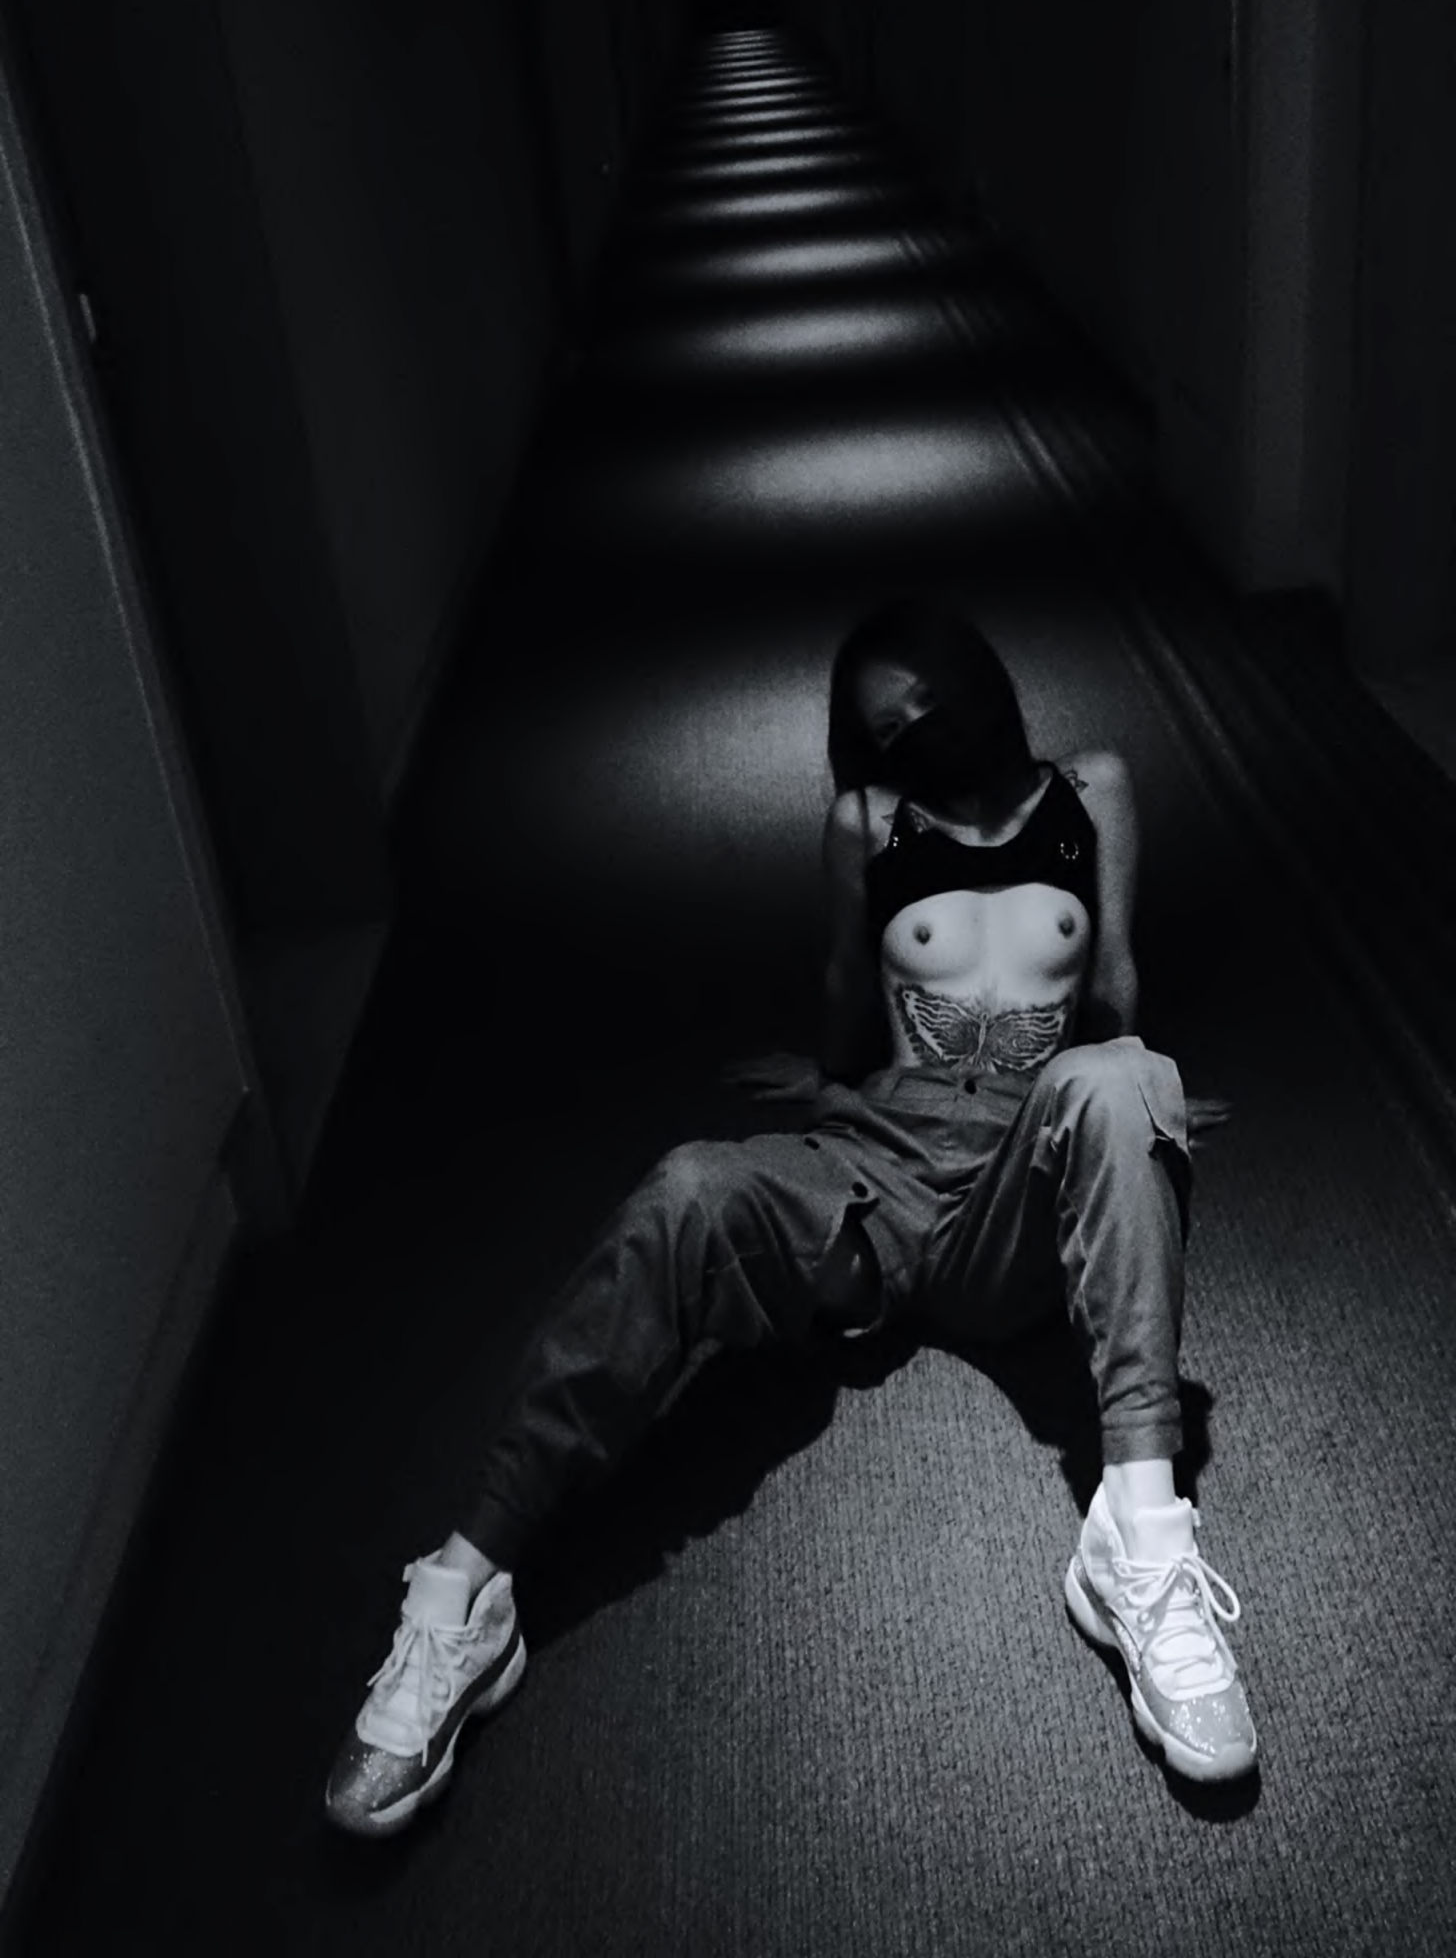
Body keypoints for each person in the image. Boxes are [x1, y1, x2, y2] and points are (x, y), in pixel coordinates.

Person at [325, 596, 1255, 1838]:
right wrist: (820, 1087)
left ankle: (1136, 1538)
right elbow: (845, 987)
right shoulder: (867, 820)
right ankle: (464, 1591)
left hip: (1017, 1198)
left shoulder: (1094, 790)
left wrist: (1139, 1112)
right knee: (690, 1186)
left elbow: (1118, 982)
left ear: (981, 683)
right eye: (889, 728)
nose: (918, 733)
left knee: (1125, 1074)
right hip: (878, 1173)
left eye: (929, 703)